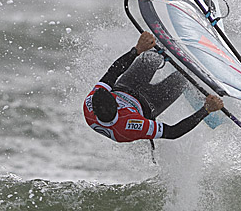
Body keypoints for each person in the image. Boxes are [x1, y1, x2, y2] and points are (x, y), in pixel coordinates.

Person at [84, 30, 224, 143]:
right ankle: (209, 91)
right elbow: (173, 132)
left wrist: (137, 50)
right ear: (116, 109)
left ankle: (178, 32)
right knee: (182, 77)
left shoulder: (91, 103)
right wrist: (205, 110)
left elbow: (113, 72)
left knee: (153, 54)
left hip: (126, 85)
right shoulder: (129, 127)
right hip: (150, 103)